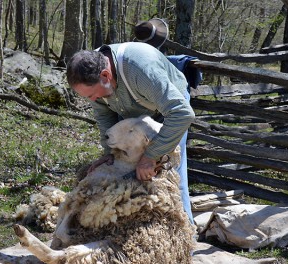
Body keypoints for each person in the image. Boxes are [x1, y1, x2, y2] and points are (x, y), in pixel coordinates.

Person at [66, 18, 195, 224]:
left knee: (171, 174)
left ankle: (184, 235)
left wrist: (152, 155)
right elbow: (104, 117)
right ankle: (137, 227)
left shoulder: (140, 70)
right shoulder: (93, 72)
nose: (91, 100)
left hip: (169, 109)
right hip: (131, 106)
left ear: (106, 75)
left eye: (92, 94)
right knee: (128, 170)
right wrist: (109, 153)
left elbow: (182, 113)